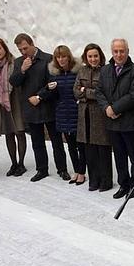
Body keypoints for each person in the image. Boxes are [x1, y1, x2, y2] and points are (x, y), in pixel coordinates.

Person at [9, 33, 69, 182]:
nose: (23, 52)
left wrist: (39, 96)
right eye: (20, 49)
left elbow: (53, 82)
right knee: (37, 142)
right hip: (31, 109)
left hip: (48, 106)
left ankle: (62, 169)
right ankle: (41, 169)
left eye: (25, 48)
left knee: (56, 141)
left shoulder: (48, 58)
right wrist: (22, 70)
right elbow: (14, 82)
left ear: (32, 43)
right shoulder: (19, 62)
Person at [96, 38, 134, 200]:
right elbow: (99, 91)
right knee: (119, 156)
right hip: (112, 123)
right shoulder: (105, 70)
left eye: (122, 51)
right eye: (116, 51)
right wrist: (107, 108)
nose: (119, 54)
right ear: (112, 52)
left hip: (130, 122)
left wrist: (115, 108)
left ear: (127, 51)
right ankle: (123, 184)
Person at [73, 43, 113, 192]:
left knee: (103, 150)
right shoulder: (82, 71)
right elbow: (75, 91)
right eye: (90, 56)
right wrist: (87, 93)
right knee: (89, 150)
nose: (93, 59)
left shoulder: (105, 71)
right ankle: (94, 180)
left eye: (95, 56)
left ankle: (106, 181)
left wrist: (85, 92)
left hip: (100, 116)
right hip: (85, 116)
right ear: (86, 57)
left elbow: (103, 93)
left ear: (100, 56)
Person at [43, 45, 84, 184]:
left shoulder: (77, 71)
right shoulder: (54, 74)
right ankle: (77, 171)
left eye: (63, 56)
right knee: (71, 145)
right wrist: (49, 89)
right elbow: (51, 96)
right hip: (62, 114)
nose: (61, 59)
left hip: (77, 112)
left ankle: (83, 172)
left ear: (69, 57)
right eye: (58, 57)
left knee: (82, 146)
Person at [0, 38, 27, 176]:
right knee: (8, 133)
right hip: (1, 103)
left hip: (15, 100)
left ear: (4, 49)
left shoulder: (14, 63)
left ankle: (21, 163)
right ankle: (13, 163)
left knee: (19, 132)